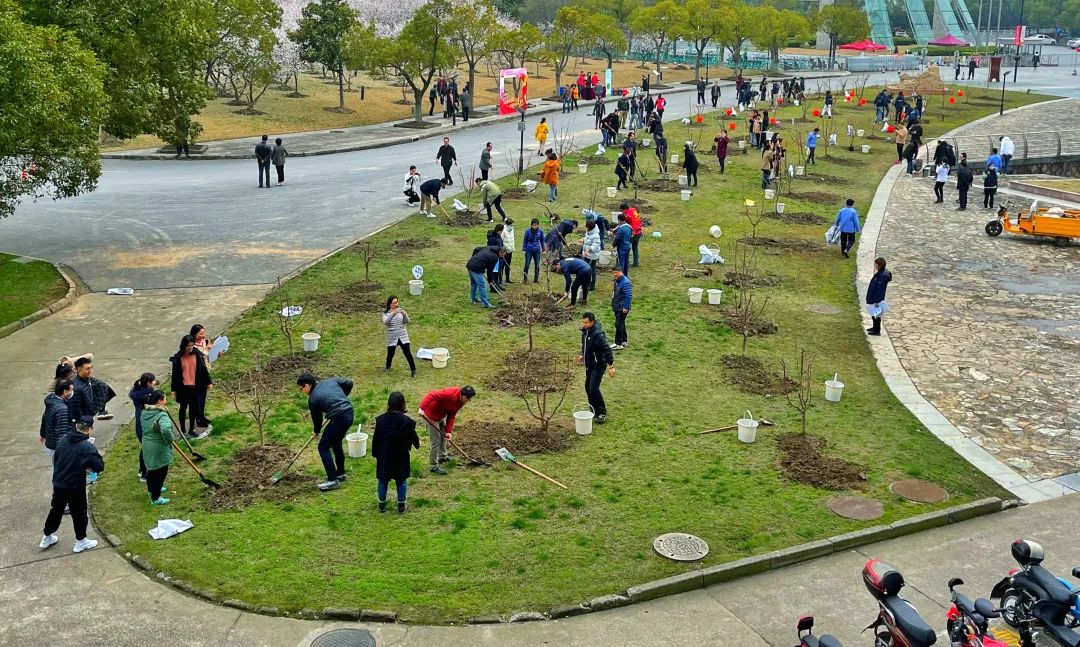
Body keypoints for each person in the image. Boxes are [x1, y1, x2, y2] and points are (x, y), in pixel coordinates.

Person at [38, 401, 104, 553]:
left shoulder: (63, 440)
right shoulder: (87, 447)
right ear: (89, 429)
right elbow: (99, 466)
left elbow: (57, 459)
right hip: (75, 485)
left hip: (59, 482)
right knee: (79, 513)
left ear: (76, 426)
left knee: (56, 510)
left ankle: (47, 536)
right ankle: (81, 541)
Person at [297, 373, 355, 491]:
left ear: (307, 385)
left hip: (339, 418)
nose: (301, 390)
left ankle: (332, 480)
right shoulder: (330, 381)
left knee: (323, 447)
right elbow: (349, 383)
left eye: (301, 387)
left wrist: (316, 431)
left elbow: (317, 419)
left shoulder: (313, 399)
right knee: (336, 442)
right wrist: (343, 397)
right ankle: (340, 474)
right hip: (349, 412)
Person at [372, 392, 419, 513]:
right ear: (402, 404)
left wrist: (375, 453)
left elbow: (376, 438)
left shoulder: (380, 420)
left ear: (389, 404)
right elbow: (415, 439)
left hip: (384, 455)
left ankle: (382, 504)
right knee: (401, 480)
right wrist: (417, 444)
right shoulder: (408, 422)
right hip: (401, 456)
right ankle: (401, 505)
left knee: (383, 480)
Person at [418, 385, 475, 475]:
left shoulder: (461, 401)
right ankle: (433, 466)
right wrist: (422, 408)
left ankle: (443, 456)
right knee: (435, 441)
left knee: (444, 436)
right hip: (430, 415)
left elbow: (452, 415)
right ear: (464, 397)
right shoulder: (449, 394)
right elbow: (432, 395)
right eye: (469, 399)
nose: (468, 401)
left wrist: (448, 431)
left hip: (441, 415)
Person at [169, 335, 212, 440]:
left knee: (193, 409)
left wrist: (208, 382)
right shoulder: (178, 358)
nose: (190, 348)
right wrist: (174, 390)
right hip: (183, 388)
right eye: (188, 346)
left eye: (192, 345)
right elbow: (175, 375)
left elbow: (203, 369)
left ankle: (192, 429)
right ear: (183, 345)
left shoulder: (197, 354)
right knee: (183, 408)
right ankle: (183, 430)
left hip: (195, 387)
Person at [578, 312, 615, 425]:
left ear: (592, 322)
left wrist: (611, 365)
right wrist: (582, 354)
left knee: (593, 388)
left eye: (587, 322)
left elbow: (607, 349)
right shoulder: (586, 331)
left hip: (598, 364)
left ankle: (601, 412)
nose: (584, 324)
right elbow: (585, 345)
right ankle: (593, 409)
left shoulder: (597, 334)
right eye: (583, 322)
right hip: (590, 364)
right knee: (587, 387)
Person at [139, 390, 174, 505]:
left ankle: (151, 490)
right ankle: (156, 497)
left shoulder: (145, 412)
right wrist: (169, 440)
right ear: (159, 401)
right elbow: (165, 430)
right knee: (161, 471)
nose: (166, 401)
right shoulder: (161, 414)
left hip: (147, 444)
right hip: (158, 446)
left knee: (152, 469)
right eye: (164, 398)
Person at [40, 379, 75, 484]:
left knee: (56, 471)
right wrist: (65, 451)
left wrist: (43, 434)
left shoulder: (51, 400)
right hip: (57, 448)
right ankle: (59, 497)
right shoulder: (62, 409)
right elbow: (62, 433)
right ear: (65, 392)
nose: (72, 392)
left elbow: (44, 418)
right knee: (61, 474)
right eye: (71, 390)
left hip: (50, 443)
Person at [128, 373, 157, 481]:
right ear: (149, 383)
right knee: (147, 449)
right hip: (143, 426)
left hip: (141, 425)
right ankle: (145, 473)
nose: (155, 382)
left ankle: (142, 470)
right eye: (153, 381)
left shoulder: (138, 392)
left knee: (145, 448)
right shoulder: (146, 396)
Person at [383, 296, 416, 378]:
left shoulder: (401, 311)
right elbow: (386, 323)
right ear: (390, 304)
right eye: (394, 303)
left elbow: (407, 321)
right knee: (391, 353)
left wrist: (405, 315)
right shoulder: (386, 313)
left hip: (403, 336)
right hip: (393, 337)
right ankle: (388, 366)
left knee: (408, 353)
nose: (396, 304)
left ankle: (413, 370)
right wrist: (392, 314)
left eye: (397, 302)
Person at [865, 257, 892, 336]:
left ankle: (877, 330)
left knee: (877, 314)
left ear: (879, 265)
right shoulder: (880, 273)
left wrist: (876, 300)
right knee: (874, 313)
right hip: (873, 297)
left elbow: (879, 289)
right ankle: (874, 327)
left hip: (876, 298)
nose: (874, 265)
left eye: (875, 264)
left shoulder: (882, 276)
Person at [610, 267, 631, 350]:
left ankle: (618, 344)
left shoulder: (625, 282)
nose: (614, 274)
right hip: (617, 306)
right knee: (621, 323)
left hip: (622, 308)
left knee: (618, 324)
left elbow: (628, 296)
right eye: (613, 273)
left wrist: (626, 307)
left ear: (621, 272)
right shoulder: (617, 280)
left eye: (616, 272)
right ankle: (623, 340)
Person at [522, 218, 545, 283]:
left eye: (536, 225)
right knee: (527, 264)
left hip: (537, 249)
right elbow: (525, 240)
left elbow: (542, 241)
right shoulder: (527, 231)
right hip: (529, 249)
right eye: (533, 225)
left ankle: (536, 279)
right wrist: (524, 248)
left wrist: (543, 250)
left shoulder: (541, 231)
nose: (534, 226)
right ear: (531, 225)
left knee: (537, 265)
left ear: (538, 225)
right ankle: (525, 279)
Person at [581, 219, 601, 289]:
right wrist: (583, 240)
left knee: (592, 269)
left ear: (590, 227)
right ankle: (586, 283)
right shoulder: (588, 232)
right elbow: (587, 239)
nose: (586, 228)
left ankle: (592, 285)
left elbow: (595, 245)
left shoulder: (596, 235)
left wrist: (588, 250)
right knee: (585, 268)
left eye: (587, 227)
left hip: (592, 256)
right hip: (586, 254)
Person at [623, 202, 643, 268]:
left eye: (622, 210)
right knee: (635, 248)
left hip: (633, 233)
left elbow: (626, 225)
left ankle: (626, 263)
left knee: (627, 247)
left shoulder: (628, 216)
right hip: (639, 231)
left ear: (625, 209)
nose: (622, 212)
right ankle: (636, 263)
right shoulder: (633, 209)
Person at [500, 218, 516, 284]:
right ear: (507, 224)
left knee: (508, 265)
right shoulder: (503, 230)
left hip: (510, 250)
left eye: (512, 225)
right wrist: (504, 250)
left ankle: (507, 279)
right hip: (504, 251)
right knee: (502, 265)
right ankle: (500, 280)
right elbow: (501, 241)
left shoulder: (511, 229)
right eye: (510, 225)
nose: (511, 226)